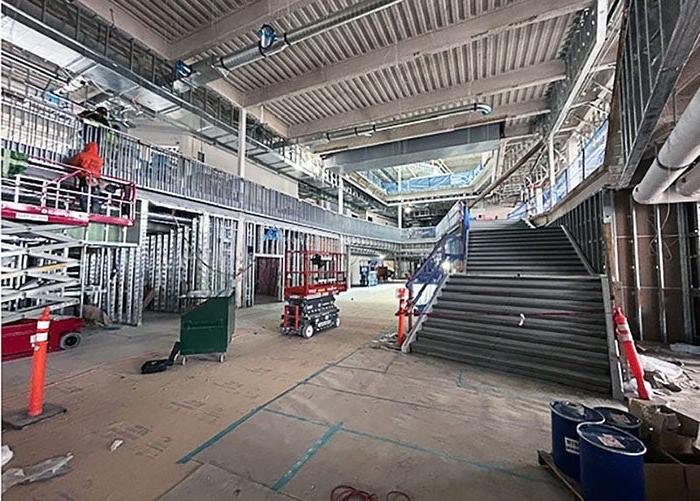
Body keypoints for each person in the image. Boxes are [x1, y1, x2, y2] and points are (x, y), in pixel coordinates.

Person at [68, 142, 104, 213]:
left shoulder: (82, 155)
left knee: (84, 196)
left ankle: (86, 211)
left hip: (85, 178)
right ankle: (94, 212)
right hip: (95, 180)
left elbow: (72, 162)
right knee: (95, 197)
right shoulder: (99, 159)